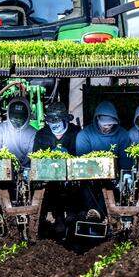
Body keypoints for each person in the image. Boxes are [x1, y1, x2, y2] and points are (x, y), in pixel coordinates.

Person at [75, 101, 133, 222]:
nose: (107, 127)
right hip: (90, 175)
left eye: (110, 125)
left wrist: (126, 176)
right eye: (104, 125)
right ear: (97, 120)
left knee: (109, 186)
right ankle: (92, 211)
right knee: (86, 186)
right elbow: (83, 163)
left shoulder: (123, 135)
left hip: (113, 178)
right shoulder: (84, 135)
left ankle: (98, 213)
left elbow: (126, 161)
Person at [31, 100, 81, 237]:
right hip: (50, 178)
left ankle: (74, 214)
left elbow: (82, 155)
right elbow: (35, 157)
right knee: (47, 187)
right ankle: (55, 217)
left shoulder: (75, 133)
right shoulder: (42, 135)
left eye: (57, 122)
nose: (54, 125)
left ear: (65, 120)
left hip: (73, 177)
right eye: (51, 122)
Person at [0, 98, 37, 166]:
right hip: (2, 167)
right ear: (8, 114)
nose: (17, 119)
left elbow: (30, 157)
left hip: (26, 167)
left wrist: (20, 168)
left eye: (20, 117)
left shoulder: (34, 133)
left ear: (28, 115)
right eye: (15, 116)